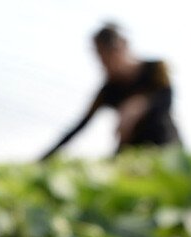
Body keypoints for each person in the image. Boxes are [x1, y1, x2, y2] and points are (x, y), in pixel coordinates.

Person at [41, 24, 180, 160]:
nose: (104, 64)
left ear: (121, 48)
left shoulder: (156, 69)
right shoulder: (108, 90)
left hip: (165, 145)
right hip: (131, 150)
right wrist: (43, 158)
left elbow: (167, 101)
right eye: (100, 58)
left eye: (107, 56)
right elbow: (80, 126)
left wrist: (139, 106)